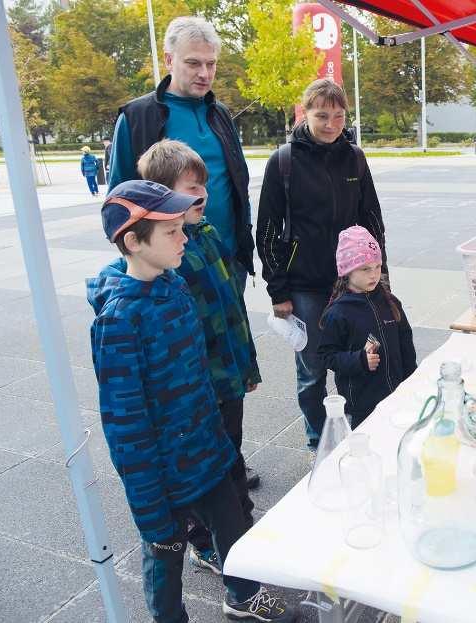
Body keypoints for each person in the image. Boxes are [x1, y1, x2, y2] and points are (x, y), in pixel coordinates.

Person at [87, 180, 298, 623]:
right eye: (171, 232)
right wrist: (149, 504)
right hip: (163, 471)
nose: (185, 238)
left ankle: (242, 596)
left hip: (207, 446)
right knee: (164, 552)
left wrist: (219, 438)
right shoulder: (119, 321)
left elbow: (199, 373)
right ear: (133, 242)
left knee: (233, 525)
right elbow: (124, 425)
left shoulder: (175, 285)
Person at [134, 139, 261, 575]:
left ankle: (237, 523)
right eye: (191, 188)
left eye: (203, 185)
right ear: (162, 195)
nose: (202, 194)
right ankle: (204, 540)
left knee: (230, 451)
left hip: (229, 375)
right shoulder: (170, 255)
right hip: (200, 385)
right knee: (204, 468)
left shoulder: (207, 235)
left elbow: (232, 308)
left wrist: (248, 364)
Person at [257, 78, 386, 449]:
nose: (331, 124)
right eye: (322, 115)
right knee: (312, 369)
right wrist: (278, 291)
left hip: (352, 282)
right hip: (306, 285)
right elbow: (266, 230)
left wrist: (381, 271)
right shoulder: (284, 162)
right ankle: (320, 440)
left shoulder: (355, 158)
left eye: (339, 115)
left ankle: (357, 426)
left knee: (361, 358)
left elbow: (372, 219)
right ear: (305, 113)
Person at [107, 16, 255, 291]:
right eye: (193, 63)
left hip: (228, 259)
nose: (204, 73)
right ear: (169, 60)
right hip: (172, 269)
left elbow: (237, 186)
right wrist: (144, 266)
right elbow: (118, 200)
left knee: (232, 334)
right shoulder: (136, 117)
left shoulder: (220, 113)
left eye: (211, 64)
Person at [318, 226, 416, 429]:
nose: (374, 275)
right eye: (365, 269)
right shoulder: (338, 312)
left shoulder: (390, 302)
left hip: (397, 394)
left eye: (377, 267)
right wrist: (359, 360)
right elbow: (327, 355)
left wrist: (411, 381)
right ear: (347, 271)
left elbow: (406, 344)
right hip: (362, 404)